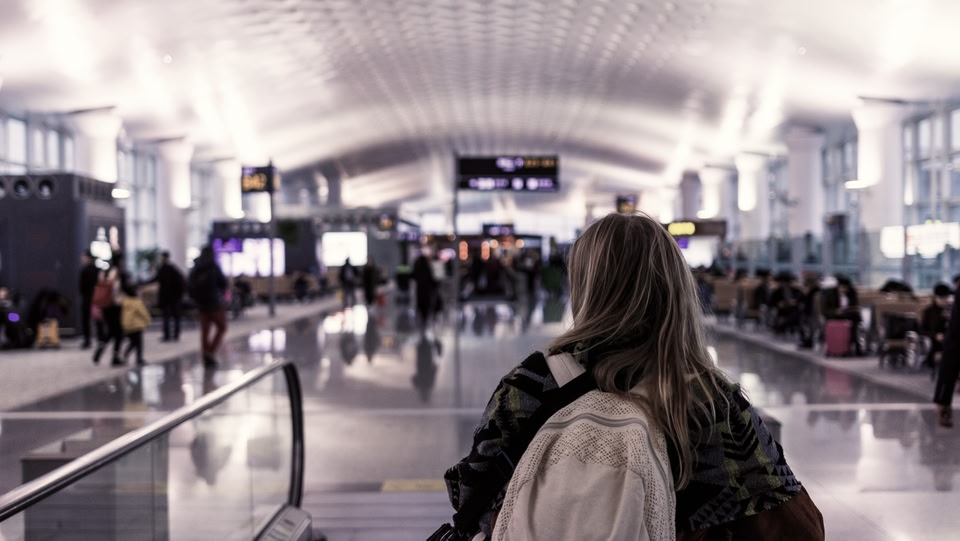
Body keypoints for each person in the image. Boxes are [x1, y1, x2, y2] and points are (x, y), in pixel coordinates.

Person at [436, 213, 823, 541]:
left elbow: (472, 496)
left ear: (584, 284)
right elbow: (798, 527)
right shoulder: (707, 398)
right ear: (673, 284)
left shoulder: (530, 384)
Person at [188, 246, 228, 366]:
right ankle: (210, 351)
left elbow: (189, 285)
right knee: (222, 327)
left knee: (205, 331)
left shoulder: (195, 267)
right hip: (214, 304)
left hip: (201, 305)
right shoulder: (213, 266)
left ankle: (205, 355)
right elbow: (223, 283)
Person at [93, 252, 129, 366]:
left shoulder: (104, 272)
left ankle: (101, 347)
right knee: (118, 332)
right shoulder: (118, 273)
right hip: (115, 305)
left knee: (111, 330)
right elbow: (124, 289)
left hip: (105, 305)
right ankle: (115, 357)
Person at [145, 250, 185, 342]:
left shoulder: (167, 269)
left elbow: (156, 279)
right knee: (172, 316)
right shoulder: (170, 269)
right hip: (172, 297)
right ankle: (173, 334)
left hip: (169, 297)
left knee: (168, 316)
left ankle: (171, 335)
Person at [822, 274, 863, 355]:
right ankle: (854, 344)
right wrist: (835, 311)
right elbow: (825, 310)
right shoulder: (830, 294)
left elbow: (854, 306)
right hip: (835, 316)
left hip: (848, 315)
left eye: (845, 288)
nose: (844, 290)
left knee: (855, 318)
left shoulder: (852, 294)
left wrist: (853, 309)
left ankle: (854, 342)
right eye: (842, 287)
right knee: (853, 320)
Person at [921, 284, 952, 370]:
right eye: (942, 298)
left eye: (946, 298)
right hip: (935, 341)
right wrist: (935, 335)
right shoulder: (928, 312)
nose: (945, 300)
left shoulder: (951, 310)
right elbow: (922, 330)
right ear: (935, 297)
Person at [120, 282, 151, 365]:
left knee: (133, 342)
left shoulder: (125, 301)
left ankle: (125, 355)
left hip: (127, 325)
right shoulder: (137, 302)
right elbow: (143, 313)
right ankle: (139, 358)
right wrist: (148, 321)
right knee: (139, 344)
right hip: (137, 326)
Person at [412, 250, 438, 328]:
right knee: (426, 305)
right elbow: (432, 280)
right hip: (427, 291)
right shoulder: (428, 269)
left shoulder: (418, 269)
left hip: (420, 290)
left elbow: (414, 276)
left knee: (420, 304)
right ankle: (425, 319)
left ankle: (422, 319)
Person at [78, 250, 99, 349]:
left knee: (86, 320)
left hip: (87, 298)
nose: (83, 259)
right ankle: (101, 338)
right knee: (97, 319)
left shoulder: (84, 271)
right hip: (96, 298)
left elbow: (81, 287)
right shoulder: (97, 270)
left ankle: (87, 340)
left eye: (84, 257)